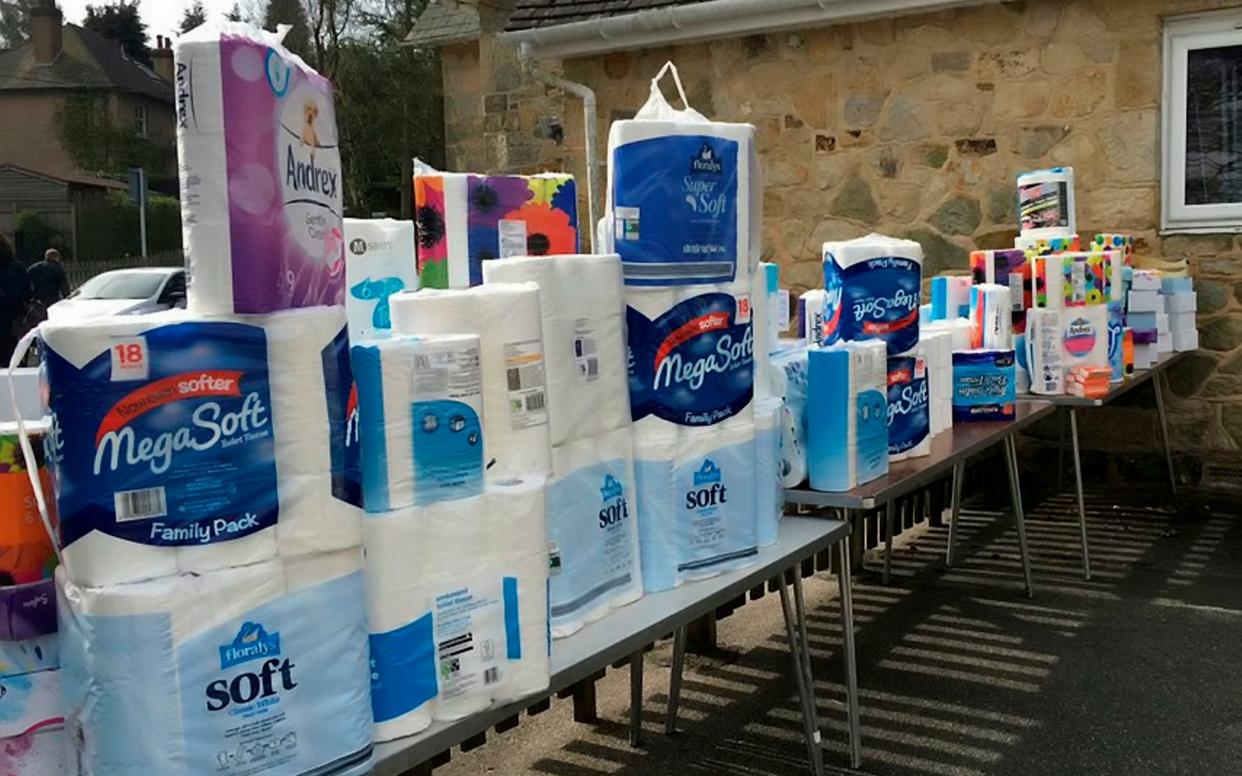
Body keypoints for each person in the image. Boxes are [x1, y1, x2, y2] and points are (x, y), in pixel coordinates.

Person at [0, 235, 30, 363]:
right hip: (10, 327)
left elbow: (17, 297)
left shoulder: (13, 268)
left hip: (8, 327)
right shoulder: (16, 267)